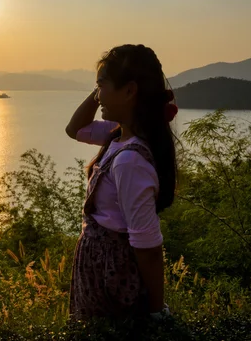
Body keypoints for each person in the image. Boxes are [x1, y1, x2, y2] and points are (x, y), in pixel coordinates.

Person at [65, 44, 178, 322]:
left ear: (129, 91)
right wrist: (100, 90)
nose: (98, 95)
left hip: (114, 279)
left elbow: (148, 246)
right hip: (101, 272)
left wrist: (157, 313)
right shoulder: (117, 136)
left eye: (101, 86)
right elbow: (74, 129)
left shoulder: (130, 160)